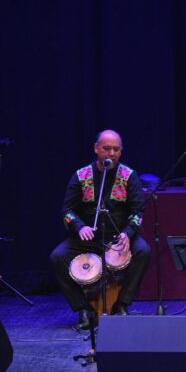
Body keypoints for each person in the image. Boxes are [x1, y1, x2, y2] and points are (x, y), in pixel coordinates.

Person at [50, 130, 151, 330]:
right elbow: (67, 210)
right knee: (57, 256)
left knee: (143, 250)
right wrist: (79, 227)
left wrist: (127, 233)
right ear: (96, 149)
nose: (111, 153)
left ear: (121, 152)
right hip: (88, 239)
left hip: (118, 238)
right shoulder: (81, 176)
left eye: (116, 149)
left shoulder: (129, 176)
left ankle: (121, 305)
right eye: (106, 149)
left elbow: (139, 210)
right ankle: (83, 309)